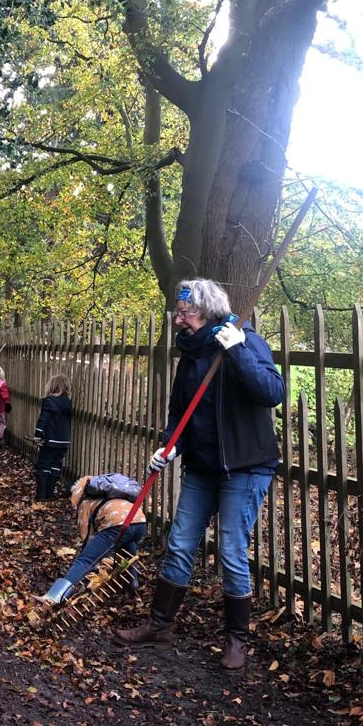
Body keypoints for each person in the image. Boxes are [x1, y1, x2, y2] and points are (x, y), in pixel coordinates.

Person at [113, 278, 284, 672]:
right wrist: (170, 445)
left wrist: (238, 353)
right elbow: (180, 410)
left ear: (207, 311)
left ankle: (236, 640)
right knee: (179, 543)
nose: (178, 320)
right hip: (202, 467)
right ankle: (159, 626)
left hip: (244, 466)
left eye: (185, 313)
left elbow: (272, 391)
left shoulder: (244, 339)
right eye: (178, 312)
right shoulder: (191, 355)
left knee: (231, 552)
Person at [36, 474, 148, 604]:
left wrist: (88, 559)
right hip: (140, 521)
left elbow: (87, 537)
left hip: (117, 525)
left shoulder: (85, 503)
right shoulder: (112, 497)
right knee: (128, 544)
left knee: (85, 559)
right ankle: (133, 583)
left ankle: (54, 597)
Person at [33, 374, 72, 500]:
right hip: (63, 441)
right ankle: (50, 493)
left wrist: (38, 434)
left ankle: (41, 494)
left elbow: (43, 419)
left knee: (43, 465)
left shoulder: (49, 401)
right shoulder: (68, 403)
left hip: (50, 440)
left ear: (52, 386)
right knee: (56, 465)